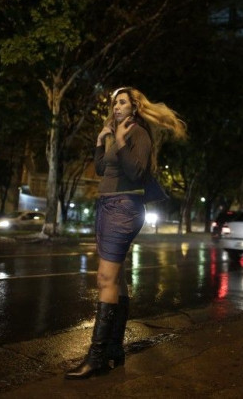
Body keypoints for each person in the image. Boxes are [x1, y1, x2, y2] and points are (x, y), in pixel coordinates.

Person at [65, 86, 186, 380]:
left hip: (124, 208)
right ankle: (114, 351)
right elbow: (101, 168)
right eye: (113, 103)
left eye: (121, 102)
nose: (116, 107)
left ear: (134, 106)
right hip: (107, 206)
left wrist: (119, 140)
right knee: (115, 279)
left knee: (105, 278)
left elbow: (136, 172)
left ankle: (95, 358)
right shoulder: (116, 133)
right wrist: (101, 141)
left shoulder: (139, 133)